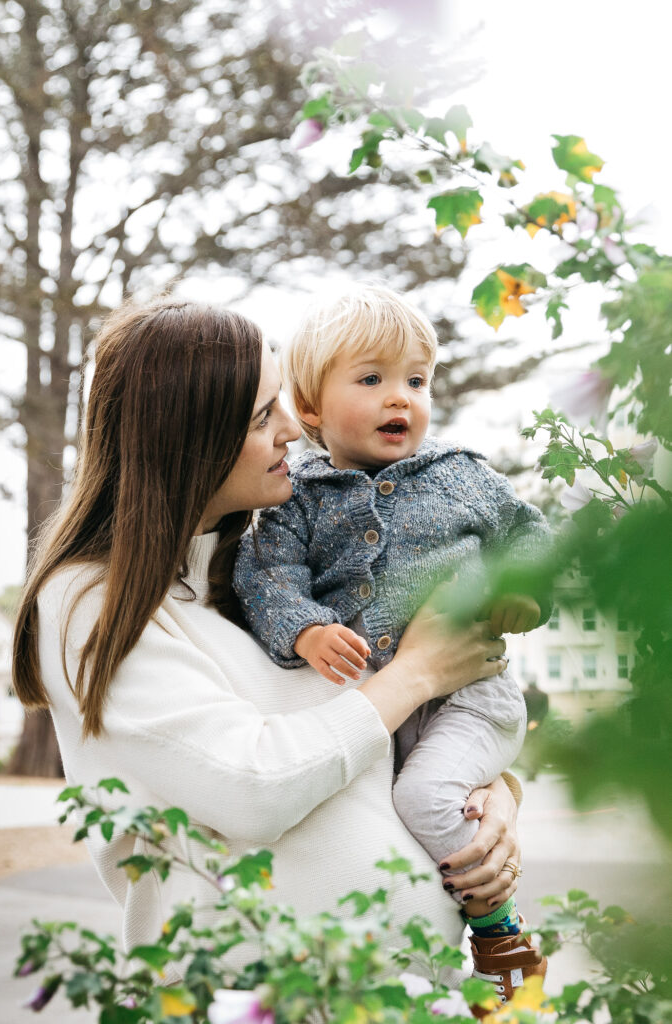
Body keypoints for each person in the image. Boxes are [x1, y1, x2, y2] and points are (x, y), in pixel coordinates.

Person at [12, 296, 523, 996]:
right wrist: (416, 673)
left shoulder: (260, 578)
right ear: (188, 438)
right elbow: (249, 787)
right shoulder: (88, 600)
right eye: (262, 415)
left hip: (402, 999)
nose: (292, 428)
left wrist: (486, 798)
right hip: (255, 1001)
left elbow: (367, 752)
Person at [234, 285, 549, 998]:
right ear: (309, 407)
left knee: (425, 797)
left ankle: (499, 936)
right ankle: (422, 976)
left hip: (470, 695)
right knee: (405, 809)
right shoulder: (299, 500)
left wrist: (524, 592)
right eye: (371, 380)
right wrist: (306, 628)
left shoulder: (460, 476)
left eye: (414, 380)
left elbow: (532, 536)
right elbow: (266, 579)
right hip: (381, 703)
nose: (399, 398)